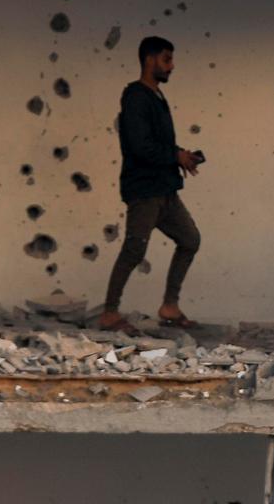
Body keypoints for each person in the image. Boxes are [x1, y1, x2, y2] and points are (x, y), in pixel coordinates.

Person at [98, 36, 204, 334]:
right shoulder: (135, 96)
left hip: (166, 190)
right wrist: (175, 155)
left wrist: (182, 156)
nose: (171, 66)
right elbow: (140, 146)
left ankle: (170, 306)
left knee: (190, 240)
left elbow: (157, 143)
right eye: (166, 59)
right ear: (150, 60)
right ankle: (109, 313)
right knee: (134, 250)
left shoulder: (156, 97)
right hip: (145, 191)